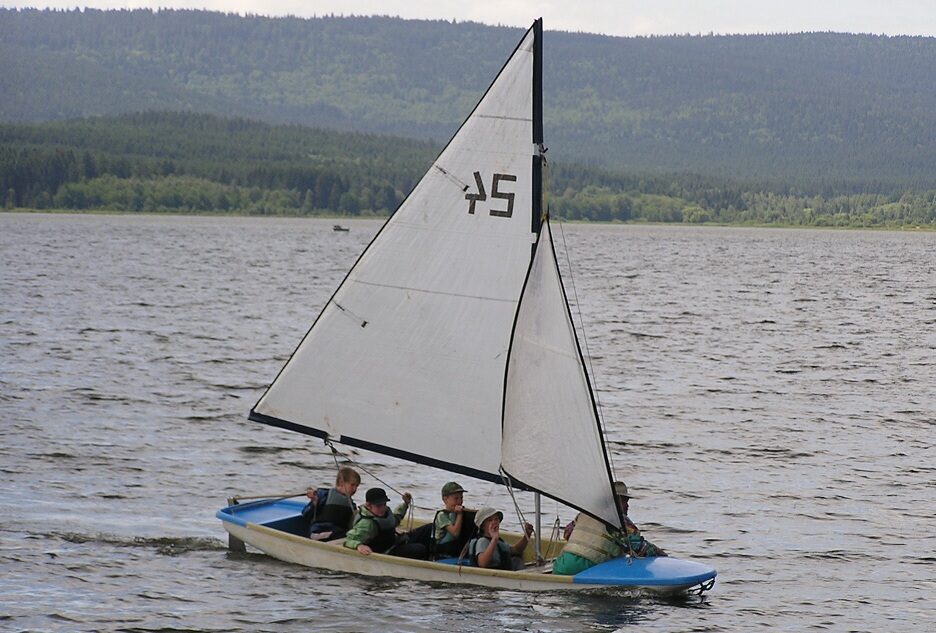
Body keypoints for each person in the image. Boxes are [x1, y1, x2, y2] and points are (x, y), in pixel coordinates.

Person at [552, 481, 667, 576]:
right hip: (585, 570)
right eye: (623, 501)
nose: (627, 505)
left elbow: (567, 533)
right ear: (613, 501)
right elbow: (641, 549)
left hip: (560, 567)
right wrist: (663, 556)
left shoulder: (583, 514)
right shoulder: (619, 520)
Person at [343, 487, 426, 559]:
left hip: (395, 542)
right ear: (368, 505)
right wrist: (359, 546)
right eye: (378, 506)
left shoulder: (385, 513)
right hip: (387, 551)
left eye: (384, 504)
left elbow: (396, 518)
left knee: (428, 529)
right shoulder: (367, 523)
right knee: (420, 548)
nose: (382, 508)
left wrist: (405, 504)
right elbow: (349, 539)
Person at [301, 466, 361, 540]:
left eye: (357, 486)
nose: (355, 489)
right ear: (341, 482)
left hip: (337, 533)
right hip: (319, 531)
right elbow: (305, 514)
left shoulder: (352, 505)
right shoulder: (323, 495)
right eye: (352, 485)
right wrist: (314, 502)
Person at [468, 507, 534, 570]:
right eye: (490, 520)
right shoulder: (482, 541)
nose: (494, 522)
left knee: (516, 561)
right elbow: (482, 563)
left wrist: (527, 535)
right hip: (492, 577)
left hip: (507, 573)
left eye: (496, 519)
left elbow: (516, 550)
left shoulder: (499, 541)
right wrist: (494, 539)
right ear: (482, 526)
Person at [433, 481, 467, 558]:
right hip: (443, 550)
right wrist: (459, 515)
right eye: (456, 498)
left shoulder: (458, 512)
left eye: (461, 498)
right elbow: (455, 533)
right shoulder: (442, 515)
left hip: (456, 549)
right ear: (445, 499)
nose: (459, 502)